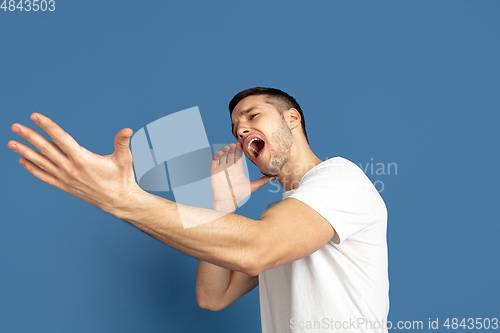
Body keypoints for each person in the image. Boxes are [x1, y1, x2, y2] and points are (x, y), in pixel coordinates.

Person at [7, 87, 389, 332]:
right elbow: (212, 297)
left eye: (253, 116)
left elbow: (256, 250)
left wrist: (122, 198)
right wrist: (221, 207)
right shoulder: (285, 216)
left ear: (292, 119)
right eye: (236, 126)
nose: (240, 130)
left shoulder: (340, 178)